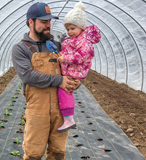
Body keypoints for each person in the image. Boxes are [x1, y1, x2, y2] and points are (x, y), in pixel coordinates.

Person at [10, 2, 81, 160]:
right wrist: (59, 80)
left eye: (49, 21)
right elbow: (28, 76)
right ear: (31, 22)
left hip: (60, 109)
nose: (48, 25)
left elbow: (71, 68)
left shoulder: (57, 46)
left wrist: (75, 81)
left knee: (58, 152)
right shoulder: (21, 48)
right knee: (33, 154)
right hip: (37, 111)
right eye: (44, 22)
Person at [55, 1, 100, 132]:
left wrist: (65, 58)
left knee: (65, 92)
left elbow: (80, 57)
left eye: (72, 28)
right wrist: (62, 54)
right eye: (68, 29)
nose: (69, 32)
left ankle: (69, 119)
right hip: (69, 71)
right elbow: (68, 53)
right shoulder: (70, 40)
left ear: (81, 27)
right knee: (63, 92)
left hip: (74, 73)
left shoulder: (85, 42)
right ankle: (67, 118)